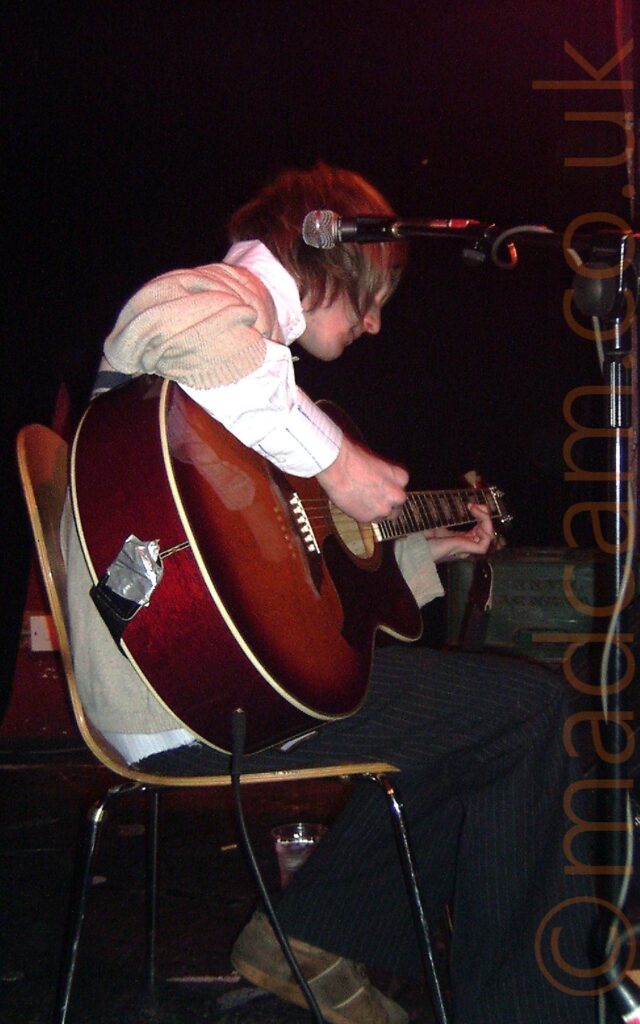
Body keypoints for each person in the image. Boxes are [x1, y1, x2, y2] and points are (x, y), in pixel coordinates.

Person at [62, 163, 613, 1024]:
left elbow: (316, 582)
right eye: (374, 297)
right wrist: (340, 463)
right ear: (333, 257)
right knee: (532, 713)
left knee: (487, 721)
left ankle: (313, 937)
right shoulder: (205, 298)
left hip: (219, 686)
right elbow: (182, 329)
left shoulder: (252, 396)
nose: (376, 323)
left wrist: (426, 547)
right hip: (184, 694)